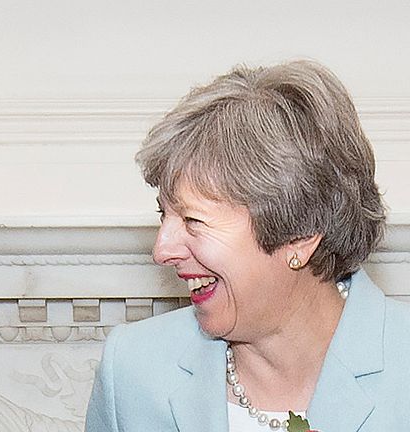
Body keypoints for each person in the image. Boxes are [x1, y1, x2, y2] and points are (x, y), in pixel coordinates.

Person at [85, 60, 410, 431]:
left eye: (193, 220)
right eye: (164, 215)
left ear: (300, 235)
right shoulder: (131, 372)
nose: (162, 250)